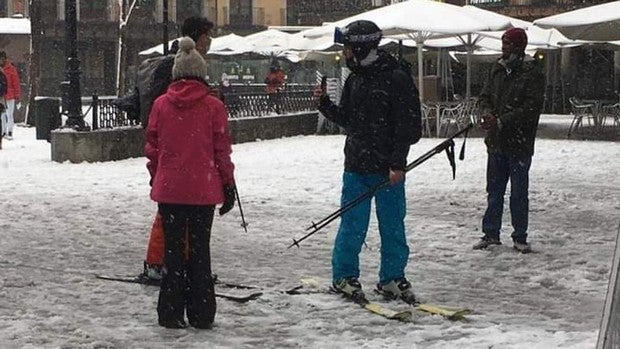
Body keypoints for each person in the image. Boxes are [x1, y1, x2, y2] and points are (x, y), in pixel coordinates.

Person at [315, 20, 422, 303]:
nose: (345, 53)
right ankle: (344, 276)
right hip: (356, 167)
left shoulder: (397, 78)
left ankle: (392, 277)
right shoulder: (356, 79)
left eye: (348, 47)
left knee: (392, 226)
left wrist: (398, 163)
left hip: (388, 169)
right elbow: (350, 120)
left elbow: (409, 127)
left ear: (361, 47)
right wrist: (325, 105)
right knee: (352, 225)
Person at [145, 36, 235, 329]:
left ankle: (170, 312)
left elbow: (153, 147)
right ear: (201, 73)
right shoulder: (213, 107)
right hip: (203, 189)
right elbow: (222, 150)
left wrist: (157, 176)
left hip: (169, 190)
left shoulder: (161, 105)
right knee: (200, 252)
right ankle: (201, 312)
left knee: (173, 253)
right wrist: (228, 184)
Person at [473, 27, 544, 254]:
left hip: (519, 144)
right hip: (496, 143)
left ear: (519, 47)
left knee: (518, 193)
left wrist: (502, 120)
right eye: (503, 44)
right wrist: (486, 113)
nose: (504, 48)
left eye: (509, 44)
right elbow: (484, 96)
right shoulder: (496, 69)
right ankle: (490, 233)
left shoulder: (532, 73)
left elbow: (530, 109)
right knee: (494, 191)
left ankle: (519, 236)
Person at [0, 51, 21, 140]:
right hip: (3, 95)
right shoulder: (10, 69)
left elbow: (15, 83)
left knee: (8, 114)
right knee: (3, 115)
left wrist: (17, 95)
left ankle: (9, 131)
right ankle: (4, 131)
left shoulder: (11, 69)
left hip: (8, 95)